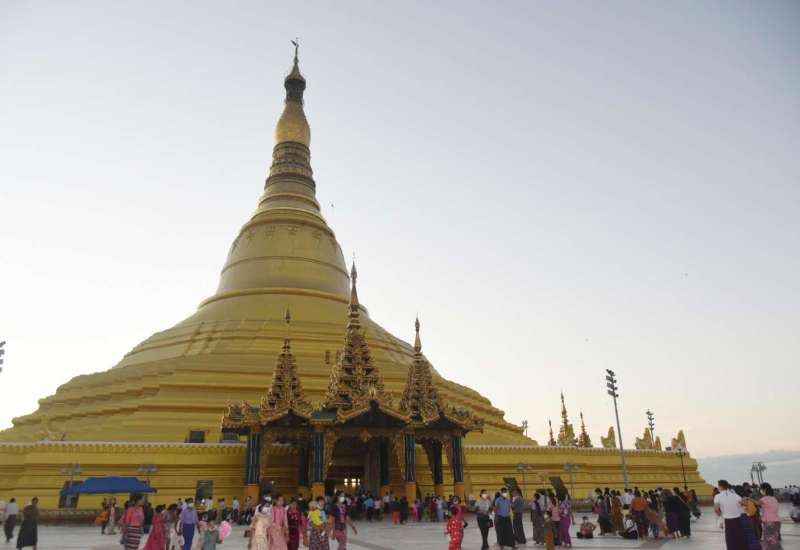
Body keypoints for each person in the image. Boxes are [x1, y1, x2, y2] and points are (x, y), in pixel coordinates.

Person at [714, 480, 748, 550]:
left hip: (728, 521)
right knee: (740, 538)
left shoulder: (718, 496)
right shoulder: (735, 495)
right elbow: (744, 504)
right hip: (738, 520)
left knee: (730, 540)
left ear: (720, 487)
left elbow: (716, 509)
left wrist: (720, 516)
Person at [759, 483, 782, 550]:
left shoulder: (765, 498)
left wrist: (749, 499)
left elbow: (758, 503)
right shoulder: (774, 498)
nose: (760, 491)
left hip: (770, 522)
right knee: (770, 540)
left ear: (764, 490)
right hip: (776, 521)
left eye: (761, 489)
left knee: (771, 541)